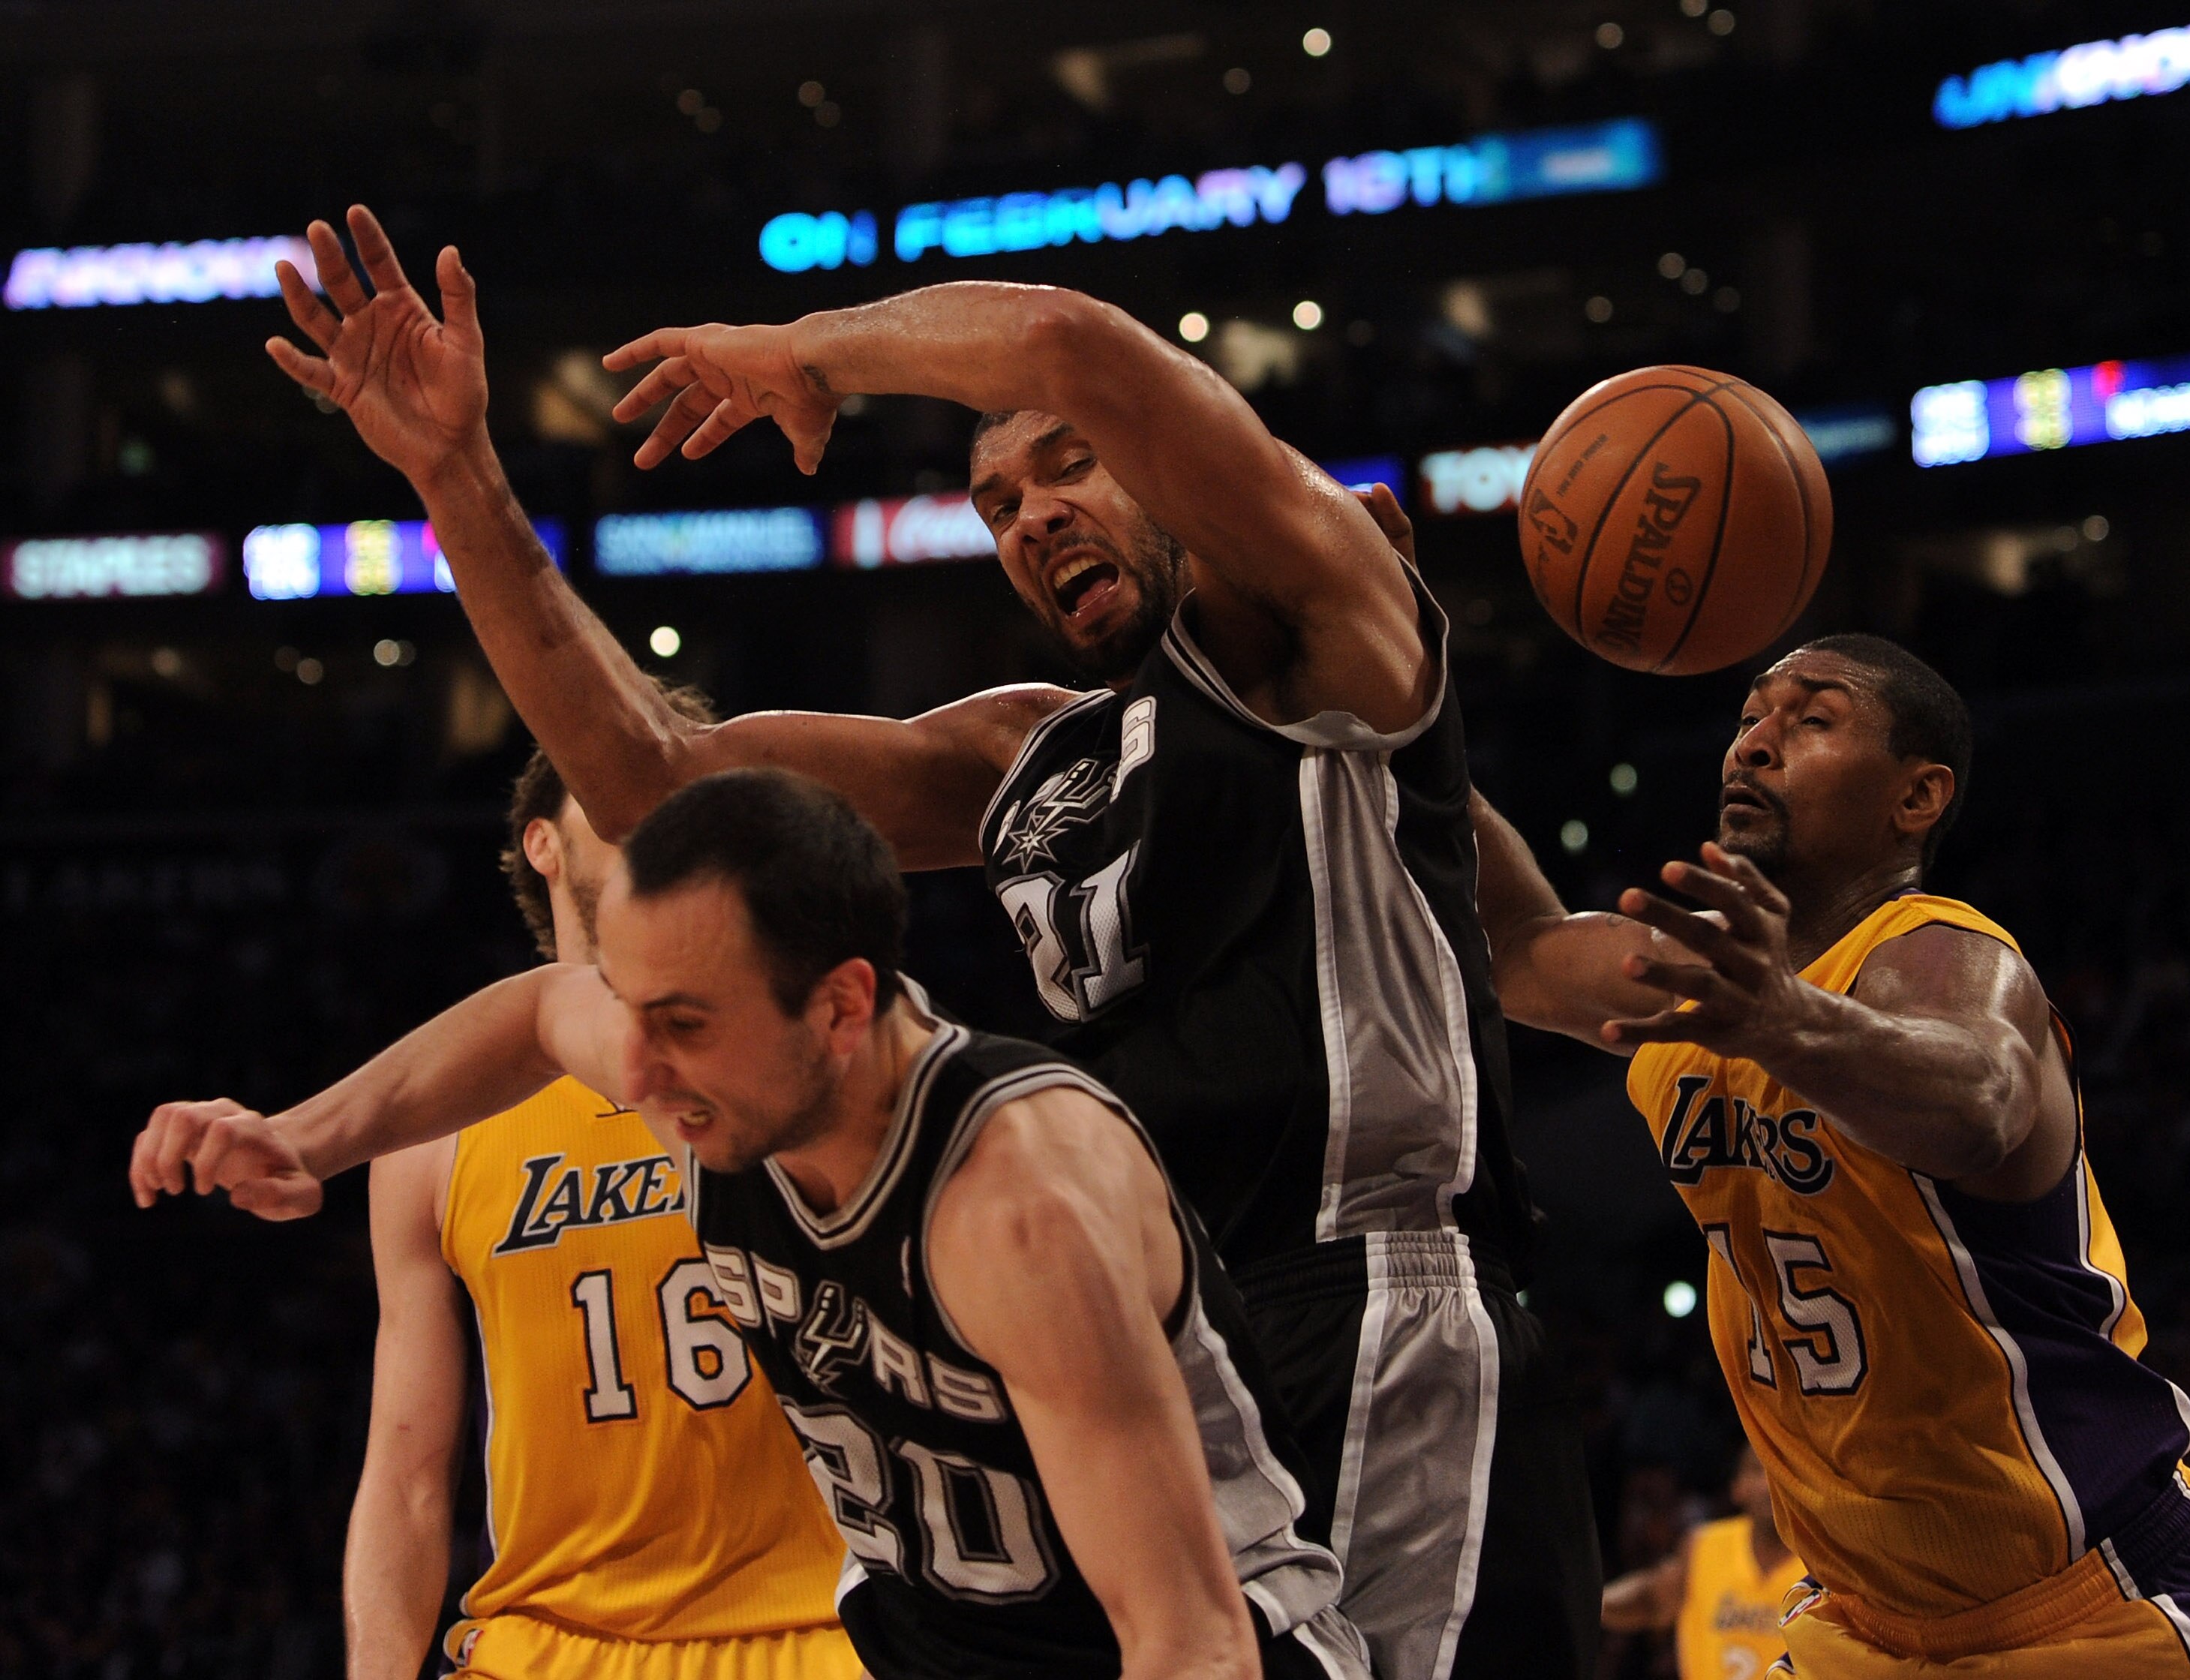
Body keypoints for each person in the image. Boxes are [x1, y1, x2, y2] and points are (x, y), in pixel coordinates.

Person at [256, 203, 1600, 1678]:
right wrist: (459, 482)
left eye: (1067, 467)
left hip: (1369, 1293)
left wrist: (811, 353)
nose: (1030, 517)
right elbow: (652, 783)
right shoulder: (1020, 753)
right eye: (997, 505)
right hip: (1143, 1326)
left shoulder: (1316, 625)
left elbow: (1064, 341)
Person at [131, 768, 1371, 1680]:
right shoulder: (723, 1076)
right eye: (635, 1023)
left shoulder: (1016, 1204)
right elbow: (532, 1012)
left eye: (681, 1027)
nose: (641, 1079)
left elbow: (1189, 1633)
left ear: (838, 1009)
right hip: (908, 1636)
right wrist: (306, 1133)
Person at [1483, 634, 2190, 1677]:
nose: (1754, 744)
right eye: (1750, 717)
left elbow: (1976, 1099)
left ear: (1917, 796)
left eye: (1811, 718)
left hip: (2103, 1603)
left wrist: (1784, 1022)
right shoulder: (1708, 980)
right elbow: (1517, 948)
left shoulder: (1948, 953)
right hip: (1863, 1626)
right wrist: (1401, 709)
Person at [347, 708, 861, 1680]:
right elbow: (409, 1472)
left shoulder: (816, 1065)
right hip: (544, 1647)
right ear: (539, 838)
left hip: (821, 1636)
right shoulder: (437, 1126)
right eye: (614, 775)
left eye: (677, 784)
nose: (649, 801)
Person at [1600, 1446, 1799, 1680]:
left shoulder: (1827, 1562)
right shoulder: (1702, 1546)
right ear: (1737, 1488)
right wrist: (1587, 1605)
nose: (1768, 1485)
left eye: (1780, 1471)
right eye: (1757, 1471)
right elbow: (1650, 1600)